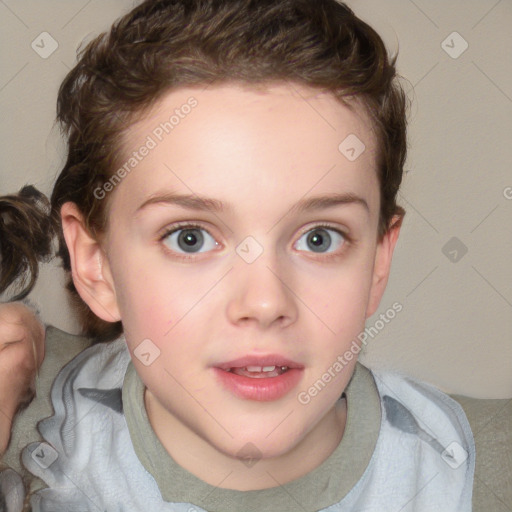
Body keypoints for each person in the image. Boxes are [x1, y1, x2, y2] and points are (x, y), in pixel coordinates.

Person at [0, 0, 510, 510]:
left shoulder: (484, 471)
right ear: (96, 265)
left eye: (319, 238)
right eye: (190, 238)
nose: (265, 303)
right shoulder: (21, 426)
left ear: (378, 261)